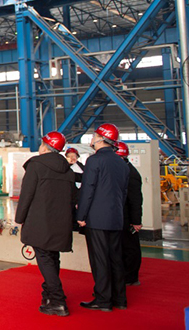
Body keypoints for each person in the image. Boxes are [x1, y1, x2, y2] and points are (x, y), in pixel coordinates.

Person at [16, 131, 77, 317]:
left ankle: (58, 301)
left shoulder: (36, 166)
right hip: (61, 222)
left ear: (45, 147)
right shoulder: (67, 169)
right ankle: (48, 295)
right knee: (53, 257)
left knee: (44, 258)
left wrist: (19, 218)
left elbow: (27, 195)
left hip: (40, 221)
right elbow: (73, 197)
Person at [76, 123, 130, 311]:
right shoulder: (121, 163)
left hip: (97, 217)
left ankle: (103, 299)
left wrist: (81, 215)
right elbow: (123, 192)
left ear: (101, 138)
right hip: (115, 217)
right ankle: (120, 299)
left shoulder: (94, 161)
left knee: (99, 259)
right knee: (115, 257)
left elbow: (88, 189)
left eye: (94, 135)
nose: (92, 139)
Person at [116, 142, 143, 286]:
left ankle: (131, 277)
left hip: (128, 217)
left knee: (130, 247)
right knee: (122, 246)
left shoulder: (131, 174)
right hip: (120, 215)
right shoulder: (123, 171)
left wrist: (136, 221)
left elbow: (135, 200)